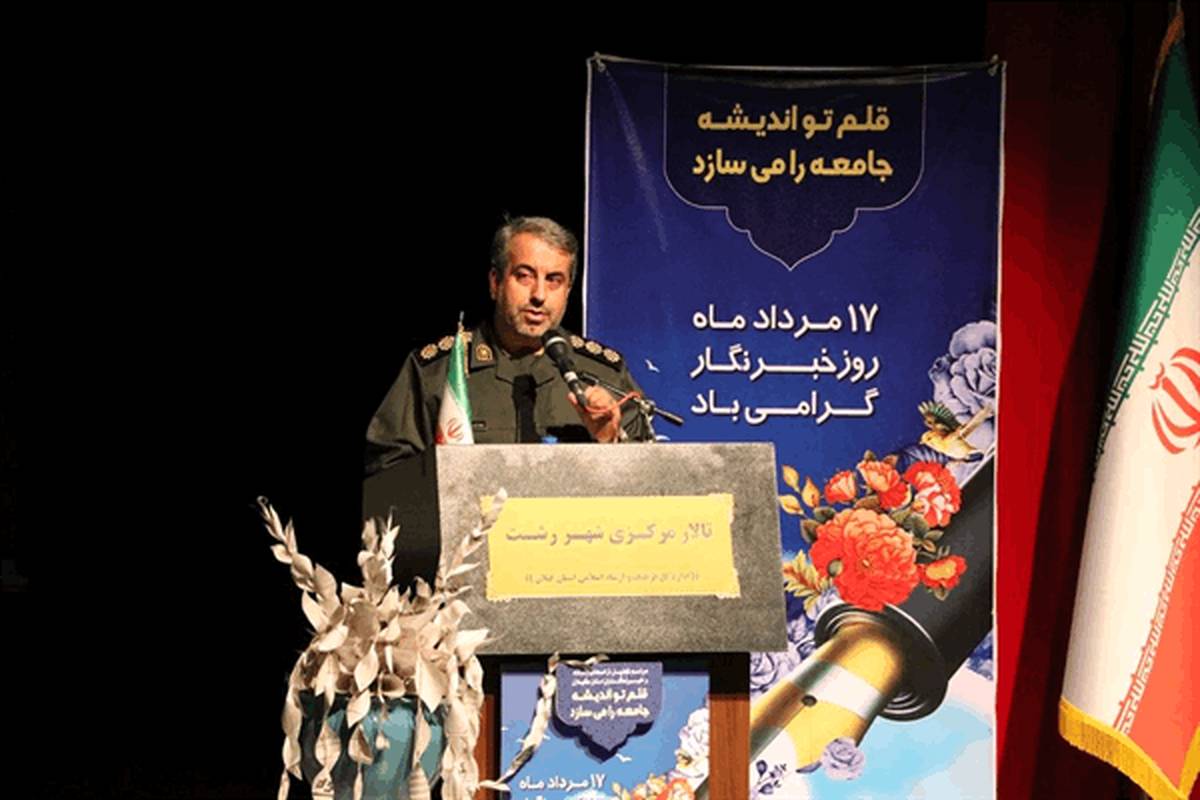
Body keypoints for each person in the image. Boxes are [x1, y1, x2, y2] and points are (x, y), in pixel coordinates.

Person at [365, 216, 651, 476]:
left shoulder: (603, 374)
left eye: (554, 280)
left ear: (567, 291)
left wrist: (610, 442)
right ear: (495, 282)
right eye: (525, 276)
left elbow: (648, 481)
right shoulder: (437, 372)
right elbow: (386, 474)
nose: (539, 295)